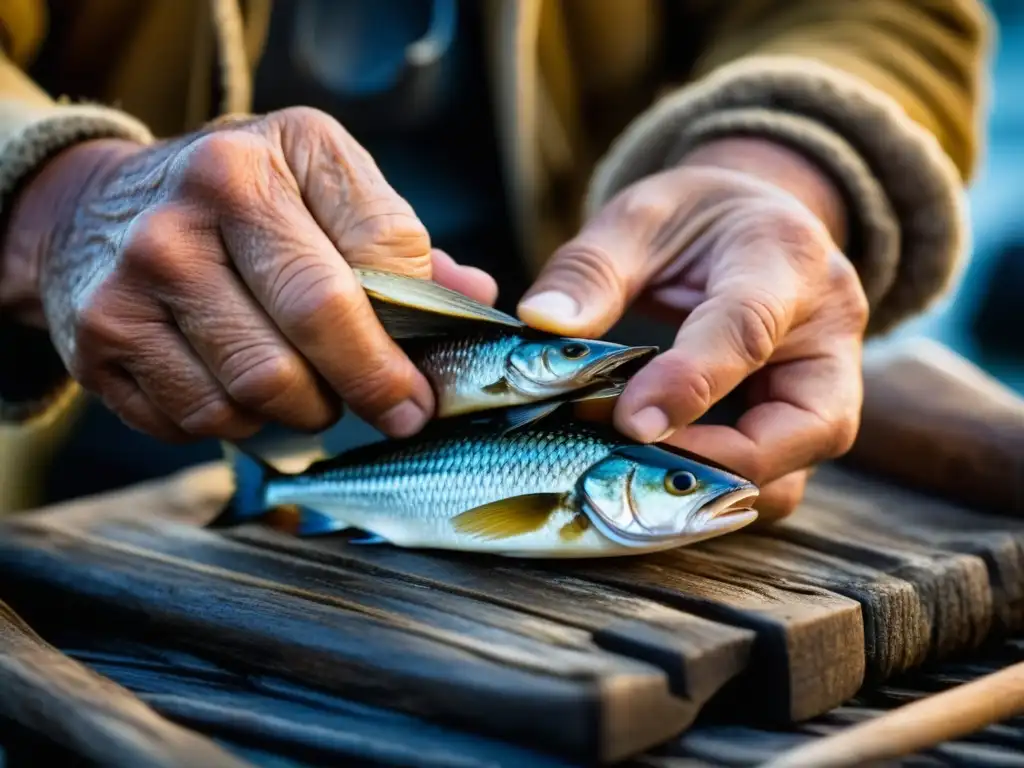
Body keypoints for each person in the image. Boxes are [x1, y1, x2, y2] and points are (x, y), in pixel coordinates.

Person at [0, 0, 990, 519]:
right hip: (95, 408)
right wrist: (47, 198)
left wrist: (778, 167)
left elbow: (879, 11)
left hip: (624, 403)